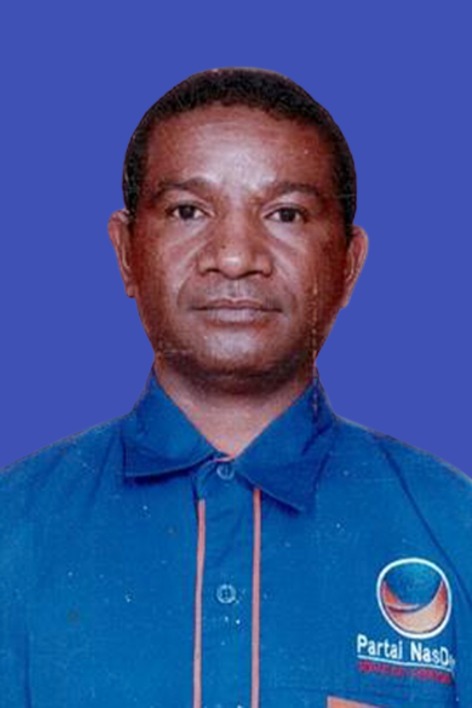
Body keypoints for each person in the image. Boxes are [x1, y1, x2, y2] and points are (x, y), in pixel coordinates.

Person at [0, 68, 470, 708]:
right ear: (126, 253)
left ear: (349, 263)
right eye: (188, 211)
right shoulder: (14, 528)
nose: (235, 256)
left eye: (286, 213)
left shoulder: (453, 525)